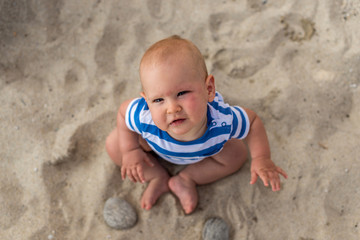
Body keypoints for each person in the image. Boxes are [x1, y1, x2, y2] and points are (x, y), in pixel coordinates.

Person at [106, 35, 288, 214]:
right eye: (159, 99)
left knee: (237, 155)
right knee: (115, 145)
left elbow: (253, 122)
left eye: (182, 93)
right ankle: (157, 176)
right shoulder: (144, 116)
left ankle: (187, 179)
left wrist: (261, 157)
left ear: (208, 89)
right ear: (146, 100)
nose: (171, 108)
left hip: (206, 150)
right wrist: (131, 150)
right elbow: (123, 114)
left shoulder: (221, 121)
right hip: (154, 146)